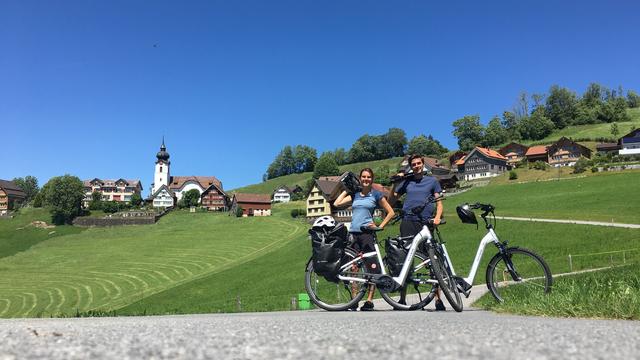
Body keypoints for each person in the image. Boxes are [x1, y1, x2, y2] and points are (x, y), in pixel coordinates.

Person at [388, 154, 447, 311]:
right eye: (413, 164)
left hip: (426, 224)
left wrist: (437, 217)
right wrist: (395, 183)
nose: (416, 166)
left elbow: (439, 202)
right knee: (405, 259)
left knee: (431, 260)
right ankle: (401, 299)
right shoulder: (406, 181)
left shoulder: (432, 181)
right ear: (410, 166)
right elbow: (391, 201)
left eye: (418, 163)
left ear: (423, 164)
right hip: (408, 222)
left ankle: (438, 300)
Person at [334, 168, 395, 311]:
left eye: (368, 177)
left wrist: (380, 226)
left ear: (371, 179)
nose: (366, 179)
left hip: (367, 235)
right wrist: (347, 189)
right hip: (353, 234)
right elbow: (337, 203)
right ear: (360, 179)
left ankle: (369, 300)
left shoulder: (376, 195)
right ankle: (354, 300)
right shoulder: (355, 195)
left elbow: (391, 212)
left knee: (371, 268)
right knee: (354, 269)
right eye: (363, 177)